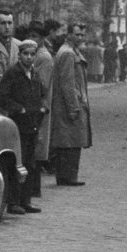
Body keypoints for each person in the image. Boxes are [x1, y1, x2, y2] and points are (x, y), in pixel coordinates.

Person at [0, 40, 46, 214]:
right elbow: (2, 97)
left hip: (33, 123)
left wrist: (42, 107)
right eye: (26, 54)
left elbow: (42, 93)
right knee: (19, 162)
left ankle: (26, 200)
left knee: (30, 163)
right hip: (18, 124)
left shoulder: (35, 73)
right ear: (20, 55)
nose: (29, 58)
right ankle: (13, 201)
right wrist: (19, 109)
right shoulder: (12, 73)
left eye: (32, 54)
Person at [50, 21, 93, 186]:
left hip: (71, 103)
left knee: (71, 141)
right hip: (70, 105)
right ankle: (68, 177)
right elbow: (68, 83)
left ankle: (67, 176)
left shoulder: (71, 51)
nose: (80, 37)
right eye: (77, 34)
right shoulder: (68, 53)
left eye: (82, 35)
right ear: (68, 34)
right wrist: (73, 107)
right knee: (70, 142)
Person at [33, 20, 59, 174]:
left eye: (35, 36)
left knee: (38, 142)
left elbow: (42, 86)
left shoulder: (44, 56)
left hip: (38, 104)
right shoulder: (36, 52)